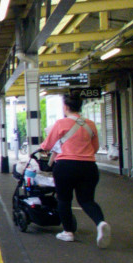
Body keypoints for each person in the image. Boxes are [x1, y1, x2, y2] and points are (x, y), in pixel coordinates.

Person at [40, 93, 112, 248]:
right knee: (87, 200)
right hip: (88, 167)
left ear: (65, 107)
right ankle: (100, 223)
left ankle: (68, 232)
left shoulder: (60, 124)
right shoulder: (90, 124)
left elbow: (47, 146)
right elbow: (96, 148)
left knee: (64, 199)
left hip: (65, 166)